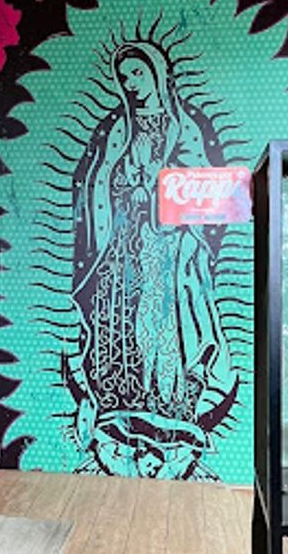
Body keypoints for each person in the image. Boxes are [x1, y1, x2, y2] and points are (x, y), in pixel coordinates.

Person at [65, 41, 237, 479]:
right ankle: (119, 399)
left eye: (138, 74)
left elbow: (205, 188)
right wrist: (125, 193)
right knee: (120, 319)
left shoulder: (184, 128)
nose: (131, 84)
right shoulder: (117, 128)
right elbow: (93, 183)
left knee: (161, 323)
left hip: (169, 248)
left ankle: (168, 402)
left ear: (157, 73)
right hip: (122, 245)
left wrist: (158, 193)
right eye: (125, 78)